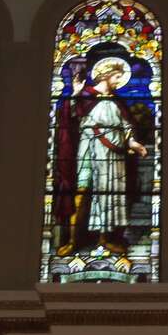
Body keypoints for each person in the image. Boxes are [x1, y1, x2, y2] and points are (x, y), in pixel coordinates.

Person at [55, 57, 148, 256]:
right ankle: (72, 240)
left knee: (109, 194)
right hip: (89, 149)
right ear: (105, 75)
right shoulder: (86, 95)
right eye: (117, 76)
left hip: (114, 156)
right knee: (81, 191)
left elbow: (127, 126)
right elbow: (69, 116)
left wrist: (132, 142)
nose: (119, 81)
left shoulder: (117, 101)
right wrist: (76, 93)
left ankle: (105, 239)